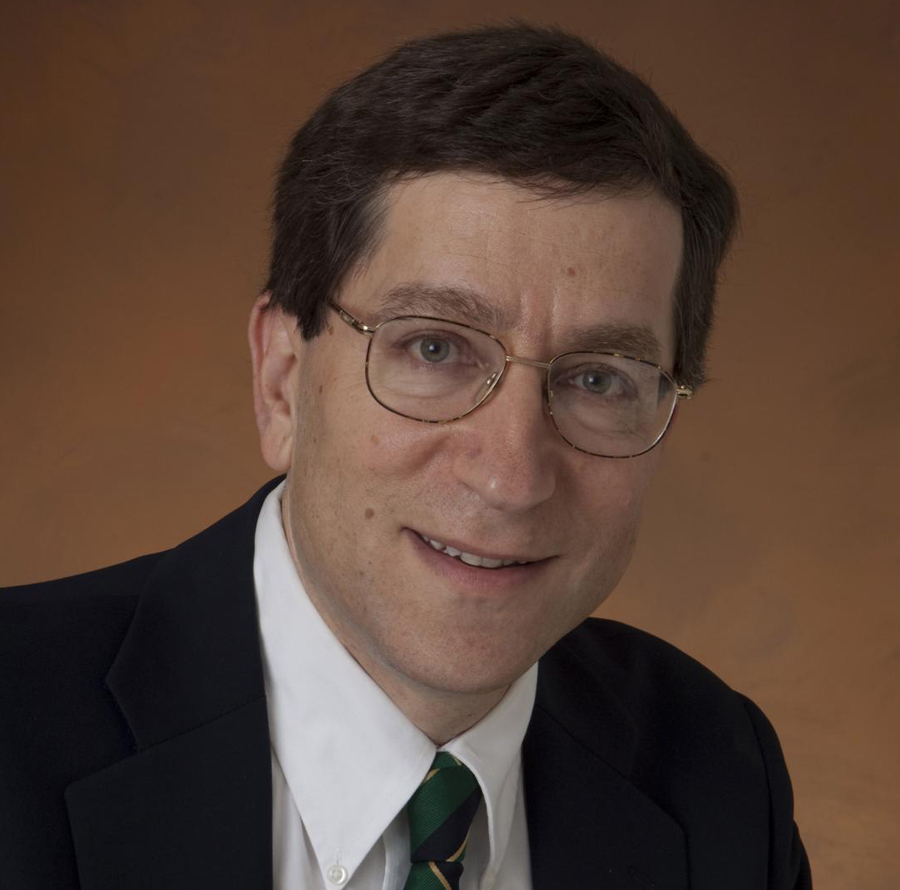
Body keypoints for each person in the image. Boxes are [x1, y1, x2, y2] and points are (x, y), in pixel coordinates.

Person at [1, 22, 811, 890]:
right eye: (434, 348)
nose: (511, 479)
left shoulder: (718, 779)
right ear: (282, 379)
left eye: (598, 379)